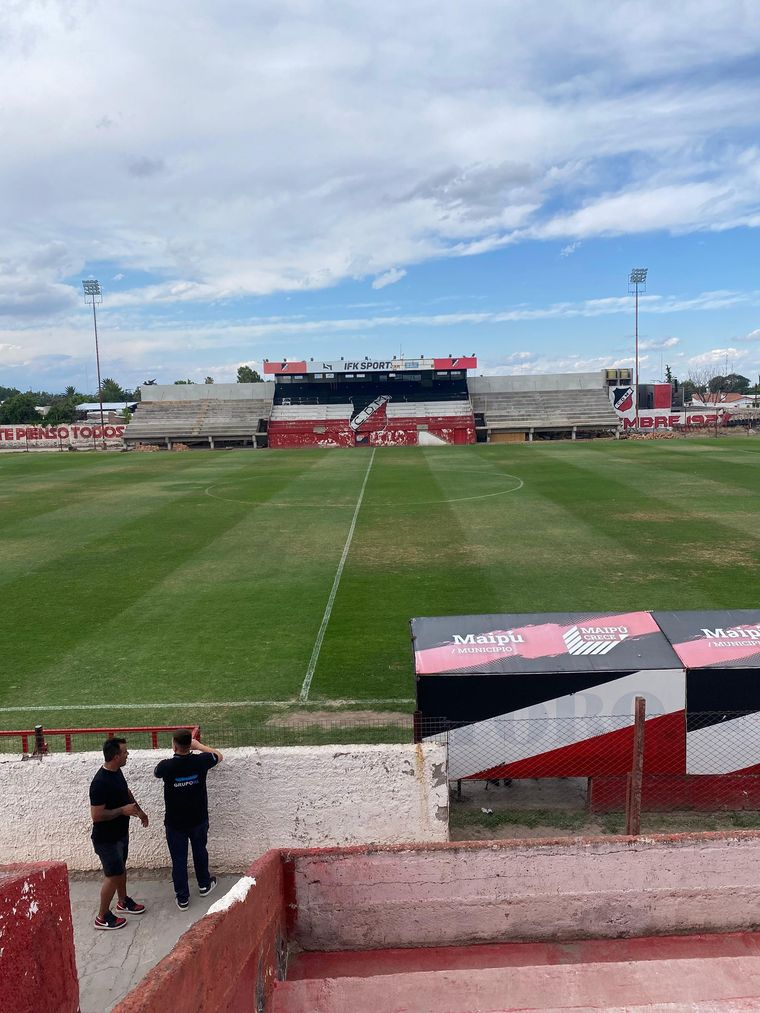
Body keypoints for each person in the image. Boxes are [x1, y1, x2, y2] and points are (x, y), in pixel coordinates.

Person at [154, 730, 223, 910]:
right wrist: (199, 746)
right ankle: (204, 884)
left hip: (175, 823)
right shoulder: (201, 761)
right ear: (189, 745)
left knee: (179, 859)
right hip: (198, 819)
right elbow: (218, 755)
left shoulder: (166, 766)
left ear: (174, 746)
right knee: (200, 852)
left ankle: (182, 897)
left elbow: (157, 772)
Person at [89, 737, 149, 930]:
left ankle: (122, 901)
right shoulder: (99, 783)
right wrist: (122, 811)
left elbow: (126, 792)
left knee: (120, 868)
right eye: (124, 752)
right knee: (113, 874)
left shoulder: (117, 772)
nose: (127, 755)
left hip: (120, 835)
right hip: (107, 840)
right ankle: (102, 916)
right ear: (115, 757)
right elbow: (97, 815)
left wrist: (139, 811)